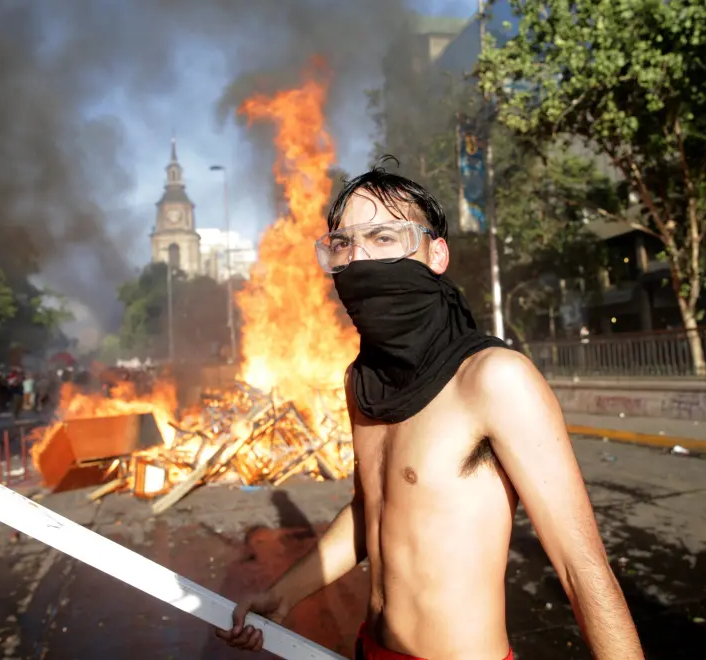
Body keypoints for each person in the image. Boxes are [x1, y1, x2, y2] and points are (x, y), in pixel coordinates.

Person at [216, 161, 643, 659]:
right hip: (370, 649)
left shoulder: (493, 379)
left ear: (436, 254)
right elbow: (371, 510)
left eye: (382, 237)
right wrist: (284, 593)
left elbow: (582, 568)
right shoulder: (362, 382)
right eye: (343, 245)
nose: (359, 259)